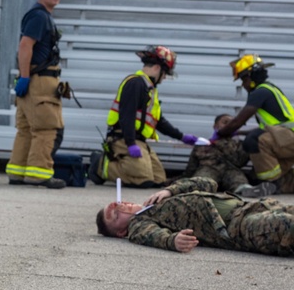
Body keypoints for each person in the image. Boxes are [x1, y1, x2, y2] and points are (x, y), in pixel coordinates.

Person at [96, 175, 294, 256]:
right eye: (115, 215)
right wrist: (173, 241)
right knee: (287, 225)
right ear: (121, 232)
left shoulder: (157, 201)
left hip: (252, 207)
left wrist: (171, 190)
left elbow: (209, 183)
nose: (120, 206)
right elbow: (151, 235)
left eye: (117, 203)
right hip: (240, 227)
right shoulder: (139, 223)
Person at [88, 46, 199, 188]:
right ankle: (100, 166)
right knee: (143, 180)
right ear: (157, 68)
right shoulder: (135, 83)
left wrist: (182, 136)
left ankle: (127, 166)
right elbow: (126, 116)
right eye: (165, 73)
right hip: (122, 138)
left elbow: (158, 121)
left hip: (139, 140)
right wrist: (130, 143)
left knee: (158, 179)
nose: (164, 78)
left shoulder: (149, 88)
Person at [5, 0, 67, 189]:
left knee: (26, 129)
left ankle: (18, 171)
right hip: (40, 82)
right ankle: (39, 174)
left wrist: (24, 77)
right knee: (46, 128)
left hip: (32, 80)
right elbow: (25, 46)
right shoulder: (40, 17)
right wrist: (24, 76)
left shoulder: (40, 15)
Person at [211, 55, 294, 196]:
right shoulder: (270, 89)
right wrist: (238, 133)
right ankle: (283, 183)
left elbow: (237, 121)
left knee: (252, 141)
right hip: (284, 141)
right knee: (255, 175)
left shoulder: (260, 92)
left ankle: (271, 184)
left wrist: (220, 133)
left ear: (252, 75)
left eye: (244, 79)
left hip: (287, 139)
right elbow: (266, 129)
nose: (243, 84)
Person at [180, 114, 265, 198]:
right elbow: (191, 167)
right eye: (225, 122)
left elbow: (239, 162)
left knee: (239, 182)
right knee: (201, 181)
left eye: (232, 124)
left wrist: (224, 142)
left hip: (231, 170)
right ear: (215, 126)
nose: (229, 125)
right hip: (209, 169)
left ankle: (246, 190)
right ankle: (196, 191)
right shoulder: (203, 144)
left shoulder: (239, 145)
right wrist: (180, 180)